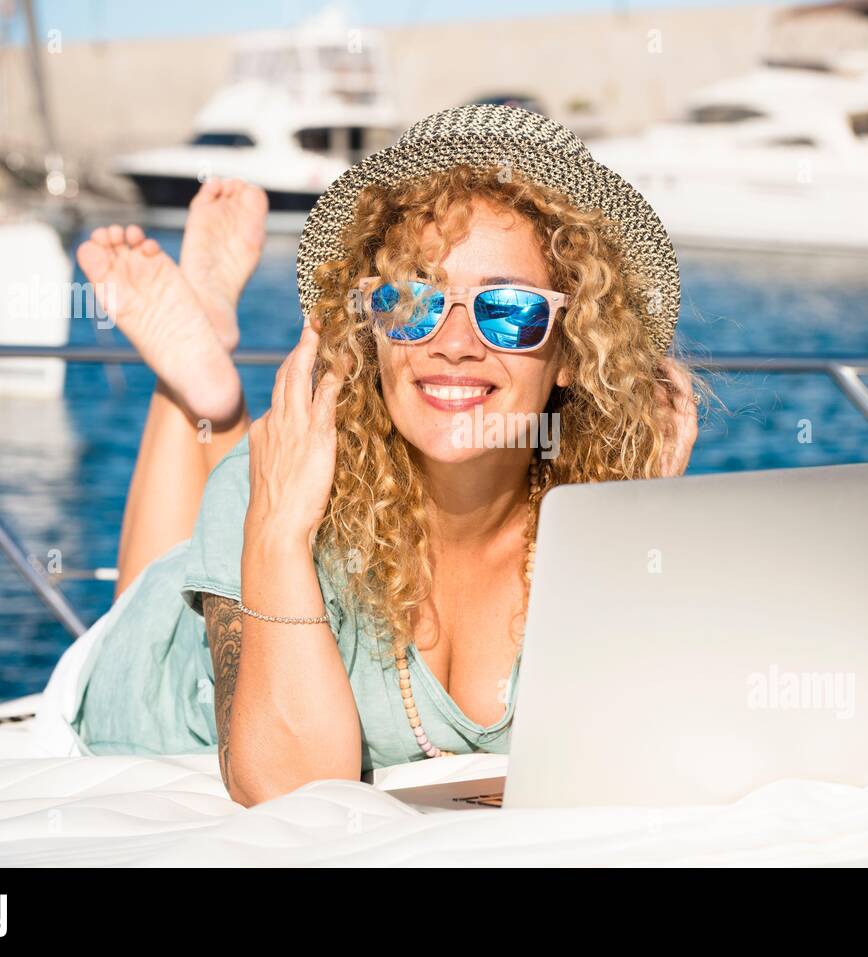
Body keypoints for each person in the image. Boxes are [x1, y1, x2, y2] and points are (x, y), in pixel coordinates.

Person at [69, 105, 707, 807]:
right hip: (148, 669)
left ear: (571, 350)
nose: (456, 343)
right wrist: (279, 532)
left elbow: (627, 739)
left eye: (509, 308)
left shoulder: (597, 518)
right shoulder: (278, 491)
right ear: (371, 328)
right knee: (170, 561)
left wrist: (640, 518)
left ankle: (207, 388)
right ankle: (203, 394)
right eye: (412, 302)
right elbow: (290, 794)